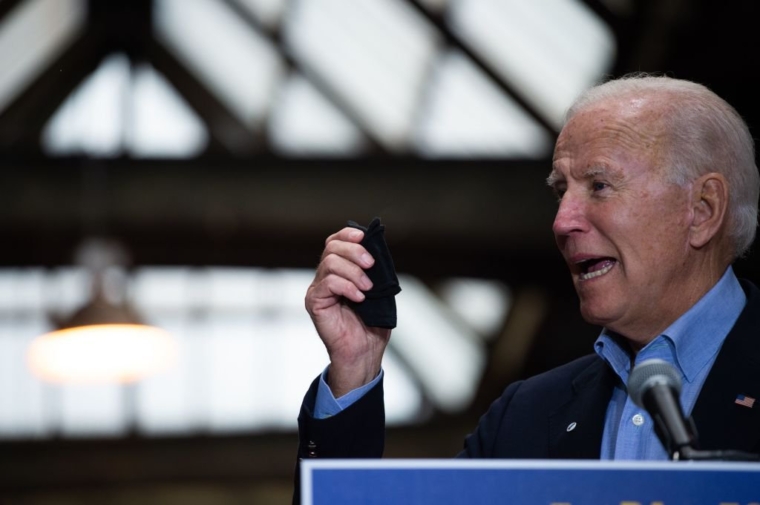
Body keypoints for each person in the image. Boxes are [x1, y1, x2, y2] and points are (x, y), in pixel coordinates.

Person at [294, 74, 760, 499]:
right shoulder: (525, 418)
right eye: (562, 191)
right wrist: (355, 368)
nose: (562, 221)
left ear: (702, 209)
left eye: (598, 185)